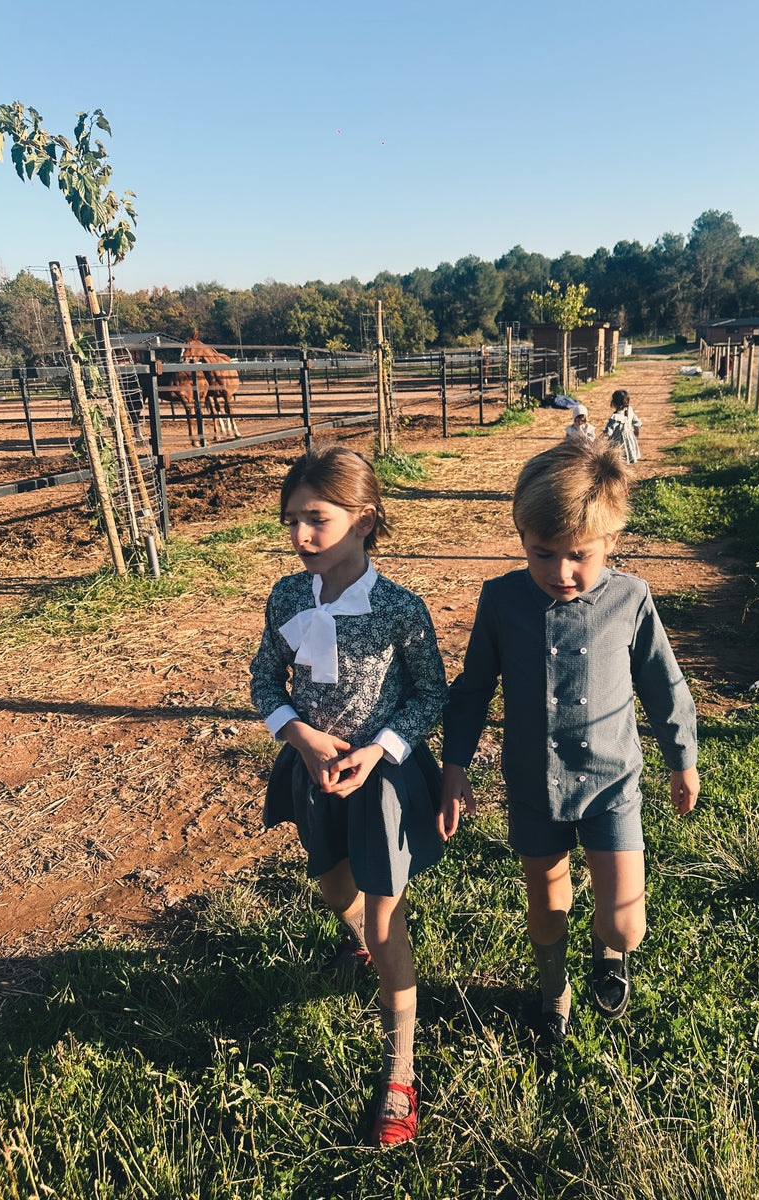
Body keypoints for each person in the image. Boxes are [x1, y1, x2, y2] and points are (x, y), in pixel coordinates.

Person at [438, 440, 698, 1047]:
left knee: (624, 922)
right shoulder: (501, 601)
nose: (560, 572)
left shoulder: (631, 599)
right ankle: (554, 991)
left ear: (612, 539)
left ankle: (611, 956)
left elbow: (663, 683)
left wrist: (680, 757)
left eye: (578, 555)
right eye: (542, 554)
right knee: (548, 905)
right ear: (522, 540)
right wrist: (454, 768)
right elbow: (473, 690)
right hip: (533, 785)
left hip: (612, 785)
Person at [250, 445, 447, 1148]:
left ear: (364, 520)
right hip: (313, 772)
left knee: (387, 916)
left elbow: (431, 693)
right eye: (292, 520)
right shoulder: (285, 597)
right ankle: (359, 943)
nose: (300, 536)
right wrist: (298, 735)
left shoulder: (400, 609)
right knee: (335, 888)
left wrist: (379, 749)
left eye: (316, 519)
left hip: (381, 779)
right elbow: (264, 682)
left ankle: (400, 1072)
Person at [604, 389, 643, 463]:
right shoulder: (630, 410)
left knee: (617, 460)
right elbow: (636, 422)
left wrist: (601, 438)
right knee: (626, 458)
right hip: (629, 439)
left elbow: (609, 431)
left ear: (614, 403)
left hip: (618, 443)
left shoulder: (615, 417)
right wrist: (636, 430)